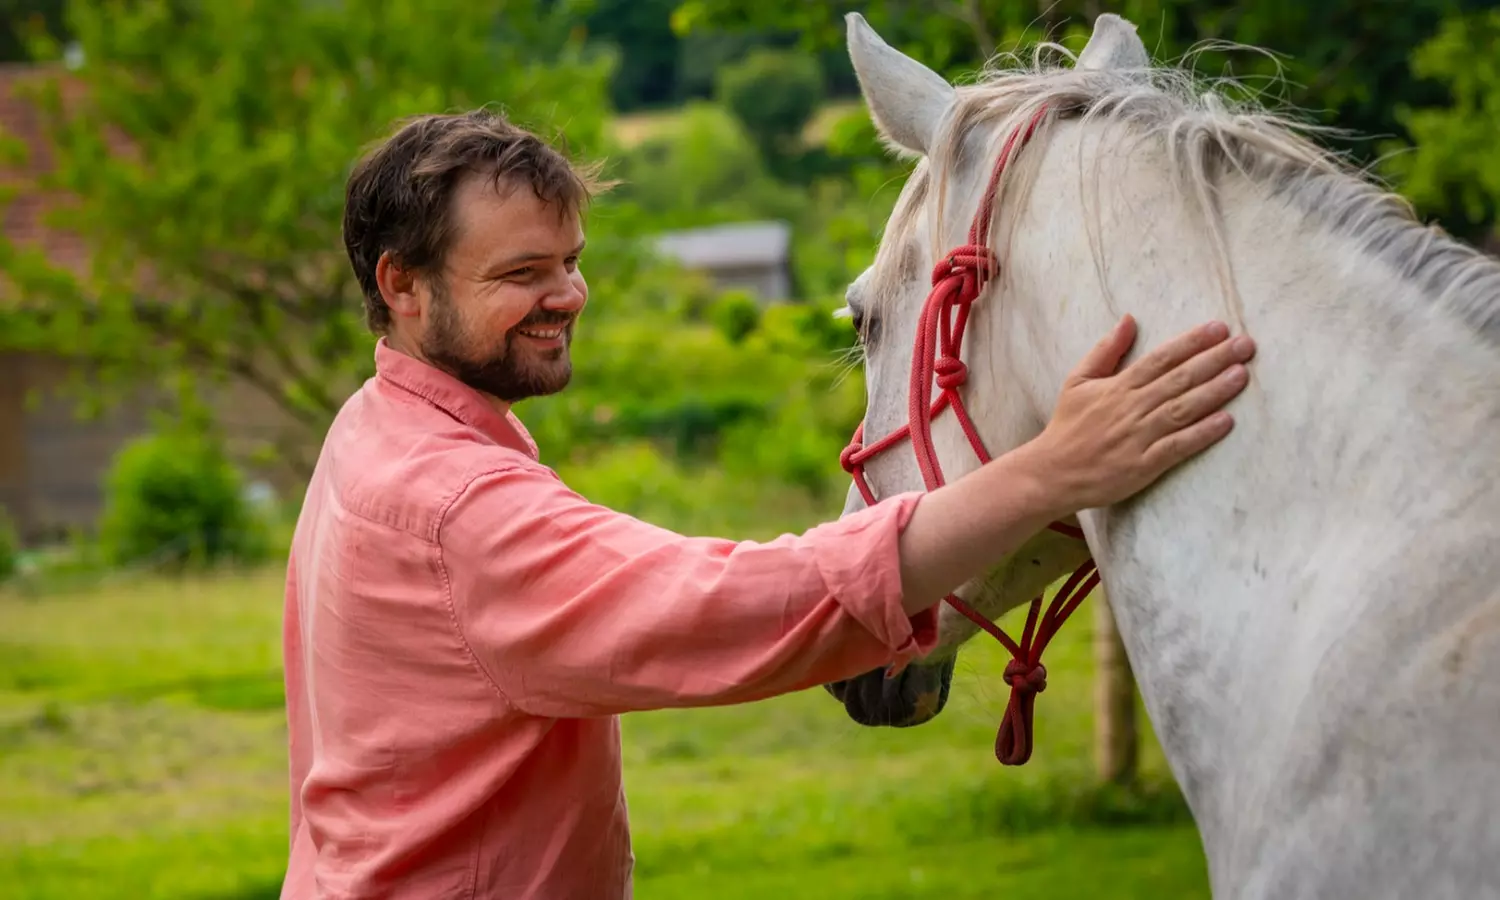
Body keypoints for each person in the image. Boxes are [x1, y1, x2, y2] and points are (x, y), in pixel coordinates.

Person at [279, 108, 1257, 899]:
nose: (569, 295)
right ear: (402, 286)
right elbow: (726, 606)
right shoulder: (455, 509)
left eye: (570, 260)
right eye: (522, 273)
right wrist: (1052, 471)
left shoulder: (376, 428)